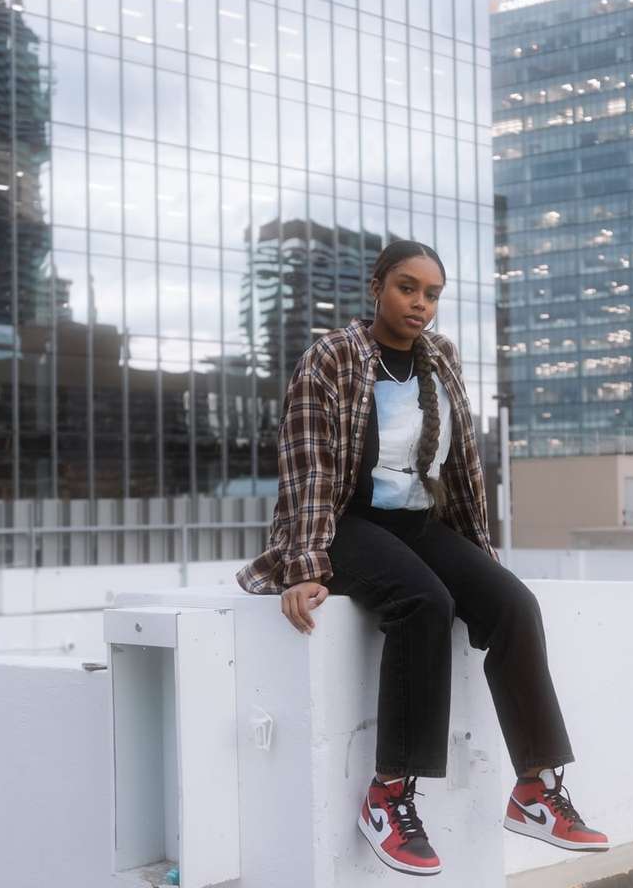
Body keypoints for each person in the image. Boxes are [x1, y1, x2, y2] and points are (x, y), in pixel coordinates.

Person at [237, 240, 609, 876]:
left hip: (418, 520)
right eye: (407, 288)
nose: (420, 304)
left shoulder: (439, 359)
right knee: (423, 602)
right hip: (344, 523)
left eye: (432, 293)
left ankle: (536, 790)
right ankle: (389, 796)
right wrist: (303, 566)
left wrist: (480, 562)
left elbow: (462, 466)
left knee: (513, 602)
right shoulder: (333, 356)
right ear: (377, 285)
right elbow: (307, 467)